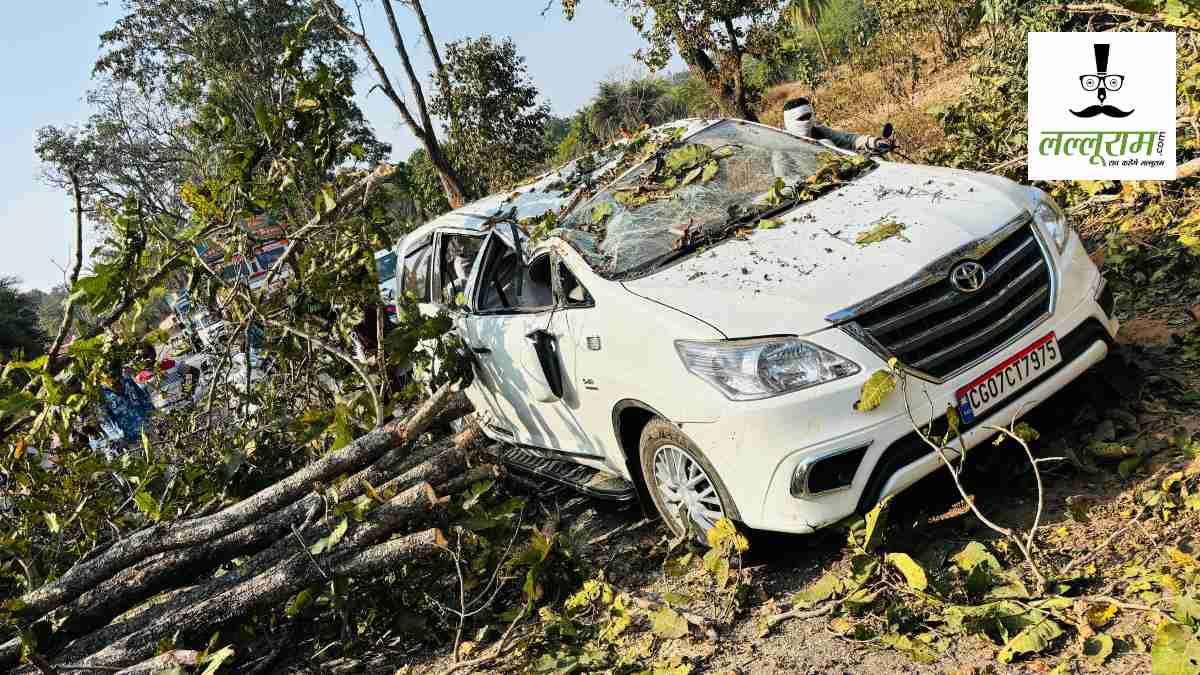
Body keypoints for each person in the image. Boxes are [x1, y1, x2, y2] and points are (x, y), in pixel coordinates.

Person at [782, 97, 894, 155]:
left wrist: (874, 142)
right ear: (790, 121)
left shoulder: (819, 131)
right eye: (802, 118)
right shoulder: (782, 149)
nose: (807, 121)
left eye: (808, 116)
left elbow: (849, 139)